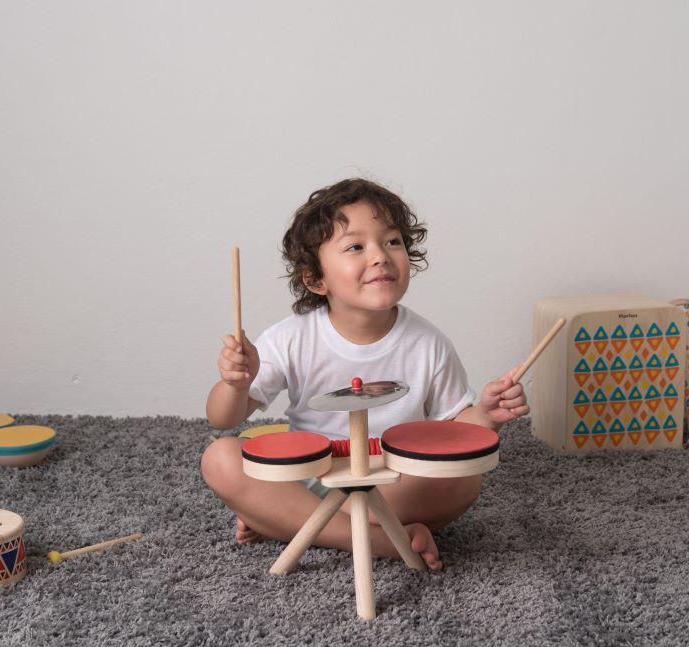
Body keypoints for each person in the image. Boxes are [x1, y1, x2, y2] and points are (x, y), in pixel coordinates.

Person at [202, 178, 528, 570]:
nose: (380, 256)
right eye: (356, 246)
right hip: (312, 478)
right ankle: (381, 541)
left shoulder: (428, 343)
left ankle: (290, 523)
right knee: (220, 458)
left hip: (394, 485)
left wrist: (488, 416)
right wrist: (234, 384)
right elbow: (223, 418)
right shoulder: (292, 337)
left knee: (465, 479)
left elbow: (457, 432)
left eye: (392, 241)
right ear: (315, 279)